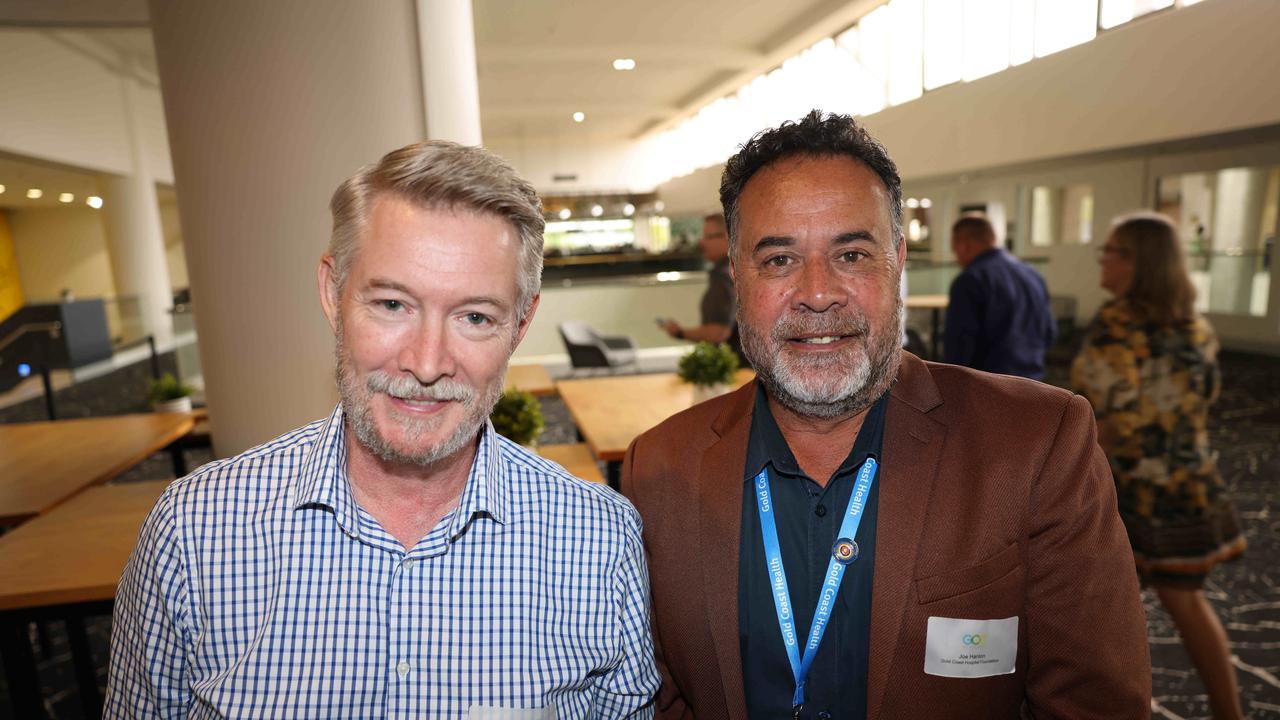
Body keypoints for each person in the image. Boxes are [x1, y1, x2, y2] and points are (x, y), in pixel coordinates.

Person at [621, 110, 1150, 719]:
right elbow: (660, 700)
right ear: (737, 276)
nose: (818, 293)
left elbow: (1093, 706)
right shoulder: (657, 468)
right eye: (779, 260)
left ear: (897, 260)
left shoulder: (1036, 445)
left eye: (851, 253)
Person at [105, 141, 659, 718]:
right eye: (393, 304)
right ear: (332, 292)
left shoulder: (601, 542)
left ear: (520, 326)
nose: (425, 363)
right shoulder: (193, 533)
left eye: (474, 317)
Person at [1072, 212, 1246, 720]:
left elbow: (1098, 417)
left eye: (1113, 250)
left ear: (1138, 263)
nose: (1102, 259)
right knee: (1187, 603)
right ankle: (1229, 712)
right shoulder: (1195, 328)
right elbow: (1205, 399)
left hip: (1129, 492)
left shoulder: (1117, 326)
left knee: (1104, 621)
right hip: (1188, 486)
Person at [943, 214, 1056, 379]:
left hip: (991, 387)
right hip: (1034, 383)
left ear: (964, 245)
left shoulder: (970, 280)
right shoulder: (1032, 274)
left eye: (954, 249)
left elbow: (960, 346)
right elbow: (1049, 333)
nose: (956, 258)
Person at [663, 213, 747, 365]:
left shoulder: (723, 276)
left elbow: (718, 332)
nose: (702, 242)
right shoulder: (738, 270)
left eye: (708, 237)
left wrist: (680, 332)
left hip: (735, 370)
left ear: (728, 237)